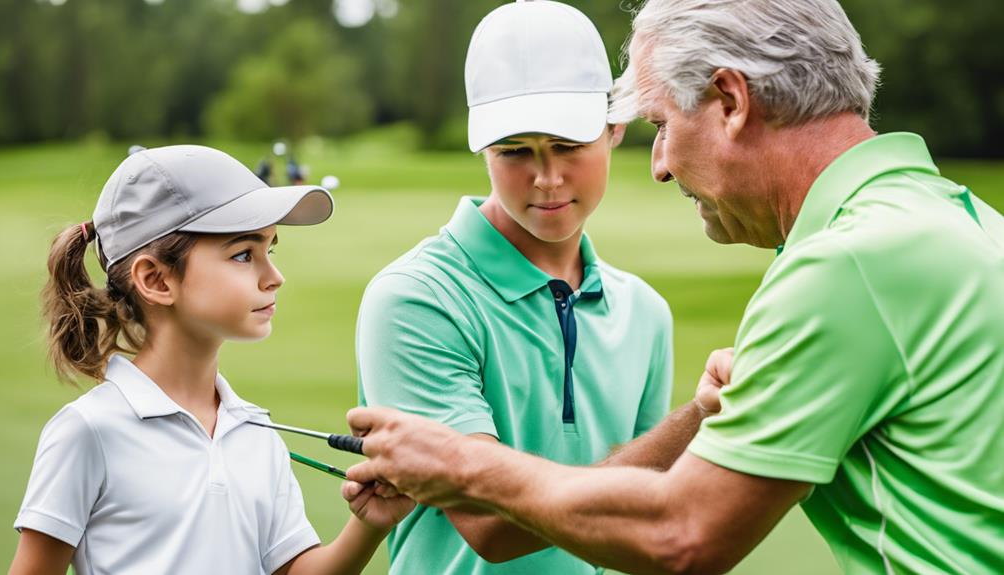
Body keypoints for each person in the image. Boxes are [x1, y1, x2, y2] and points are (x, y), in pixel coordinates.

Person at [345, 0, 1004, 573]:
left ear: (730, 100)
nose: (658, 165)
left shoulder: (844, 263)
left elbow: (680, 535)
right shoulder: (965, 220)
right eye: (516, 149)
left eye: (660, 124)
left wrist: (461, 465)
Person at [354, 1, 685, 573]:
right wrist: (699, 419)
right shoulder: (415, 299)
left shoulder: (645, 312)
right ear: (483, 148)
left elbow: (647, 522)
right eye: (514, 152)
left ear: (614, 130)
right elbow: (490, 523)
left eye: (567, 145)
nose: (547, 178)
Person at [10, 145, 413, 575]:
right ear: (156, 279)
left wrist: (369, 526)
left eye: (269, 251)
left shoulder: (255, 430)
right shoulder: (88, 431)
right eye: (243, 254)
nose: (274, 276)